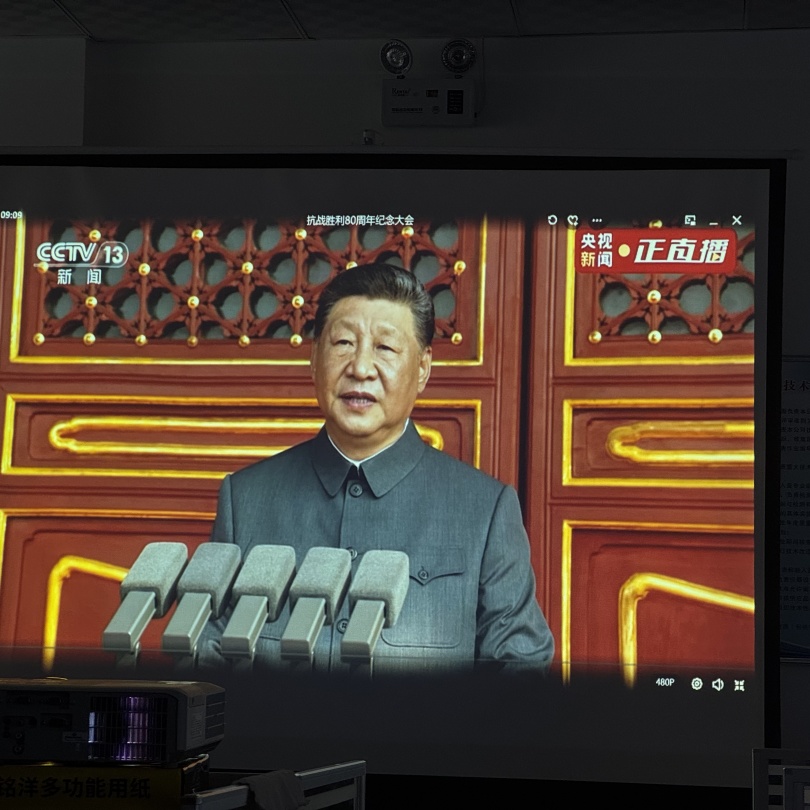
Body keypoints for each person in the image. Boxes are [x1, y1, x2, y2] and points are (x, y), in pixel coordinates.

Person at [202, 263, 553, 675]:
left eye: (385, 348)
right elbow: (209, 658)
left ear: (422, 368)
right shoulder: (246, 499)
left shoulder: (484, 510)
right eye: (344, 343)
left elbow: (521, 669)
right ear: (314, 359)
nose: (361, 368)